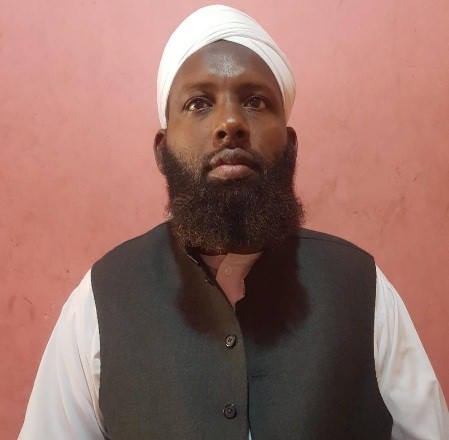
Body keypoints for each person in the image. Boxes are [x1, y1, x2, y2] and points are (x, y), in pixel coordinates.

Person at [19, 5, 449, 440]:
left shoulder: (361, 287)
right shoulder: (102, 298)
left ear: (291, 145)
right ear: (163, 150)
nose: (230, 124)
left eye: (255, 101)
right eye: (199, 103)